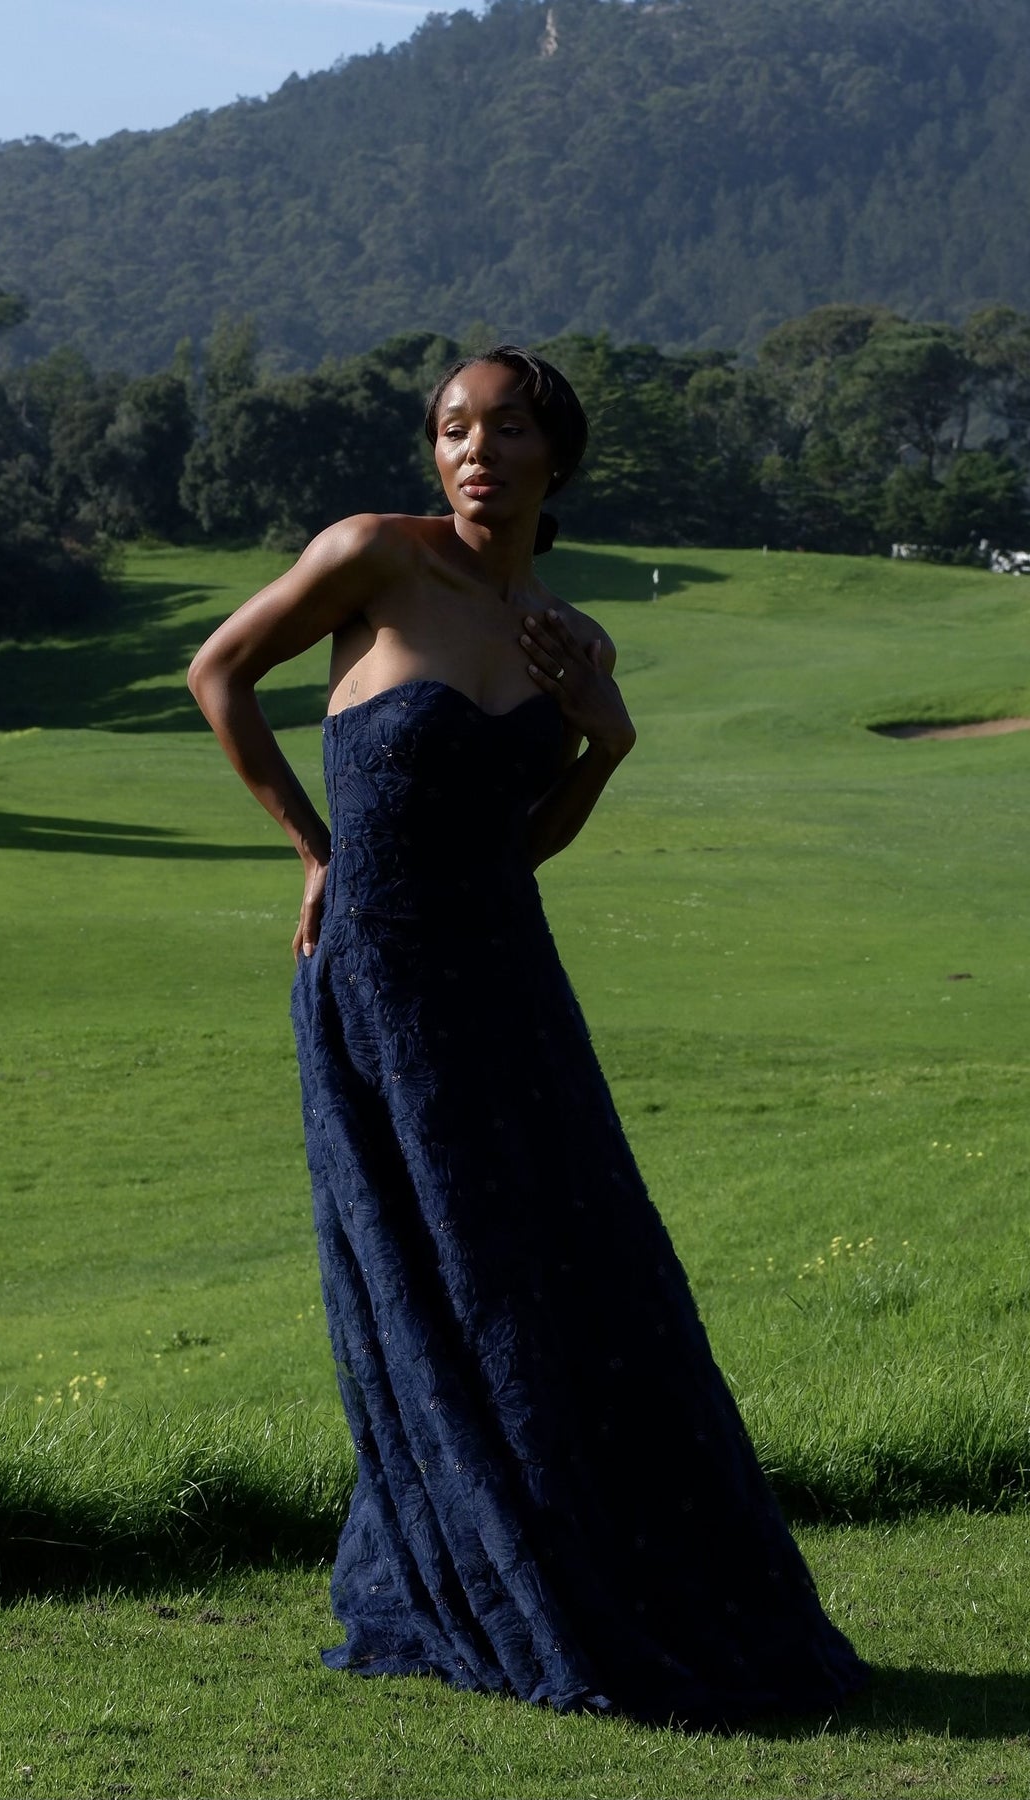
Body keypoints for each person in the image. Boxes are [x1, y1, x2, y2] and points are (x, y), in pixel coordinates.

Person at [188, 345, 866, 1722]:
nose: (473, 450)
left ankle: (606, 1563)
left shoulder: (567, 638)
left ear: (556, 457)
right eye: (451, 428)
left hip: (512, 985)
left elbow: (523, 842)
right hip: (379, 984)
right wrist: (314, 851)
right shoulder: (374, 558)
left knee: (574, 1269)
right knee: (447, 1270)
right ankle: (480, 1568)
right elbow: (217, 673)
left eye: (502, 430)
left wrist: (603, 745)